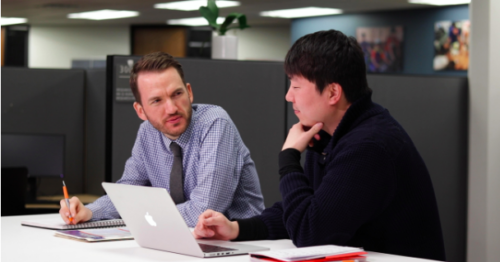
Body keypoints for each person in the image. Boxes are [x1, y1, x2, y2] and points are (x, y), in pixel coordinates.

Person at [193, 30, 446, 261]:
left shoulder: (369, 146)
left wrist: (289, 159)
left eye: (296, 86)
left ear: (333, 93)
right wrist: (236, 229)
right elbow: (304, 211)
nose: (288, 96)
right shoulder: (328, 131)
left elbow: (309, 232)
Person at [59, 52, 265, 227]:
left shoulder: (215, 124)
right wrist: (89, 211)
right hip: (179, 238)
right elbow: (129, 192)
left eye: (177, 94)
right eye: (157, 100)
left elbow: (205, 210)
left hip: (241, 243)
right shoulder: (147, 133)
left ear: (189, 92)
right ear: (140, 110)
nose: (172, 108)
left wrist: (143, 216)